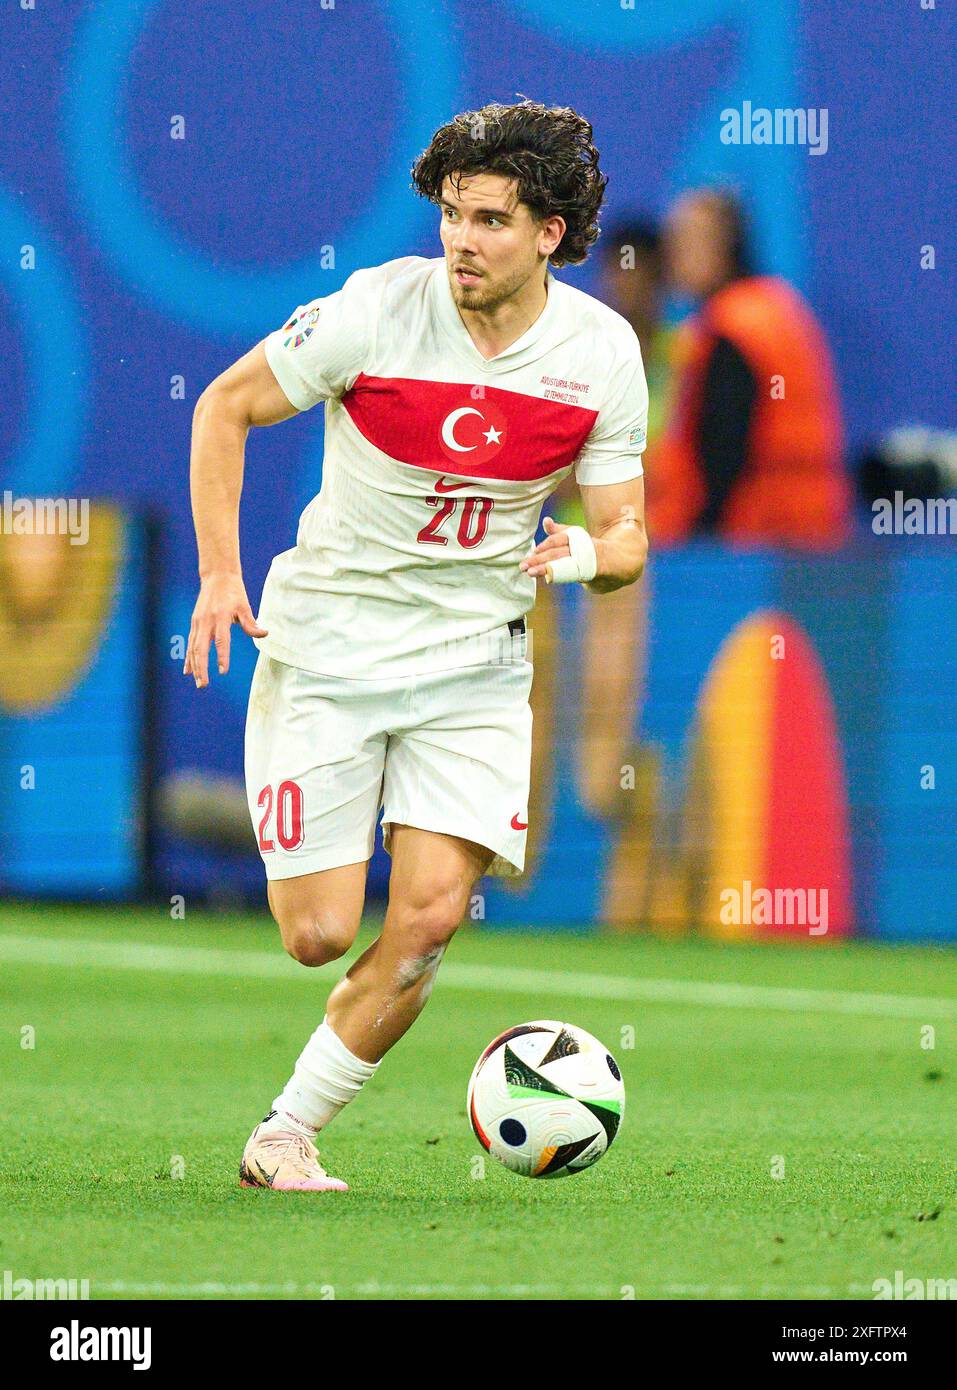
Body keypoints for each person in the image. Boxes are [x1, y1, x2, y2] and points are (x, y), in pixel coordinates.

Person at [183, 100, 649, 1193]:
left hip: (474, 666)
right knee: (316, 933)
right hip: (332, 651)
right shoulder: (374, 313)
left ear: (551, 232)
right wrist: (218, 571)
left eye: (490, 220)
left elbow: (628, 536)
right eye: (451, 215)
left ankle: (286, 1133)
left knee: (433, 914)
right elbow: (223, 406)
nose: (461, 242)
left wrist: (586, 554)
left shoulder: (600, 355)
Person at [647, 188, 849, 548]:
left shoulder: (733, 327)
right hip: (809, 536)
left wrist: (697, 543)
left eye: (687, 241)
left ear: (724, 246)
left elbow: (722, 453)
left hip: (755, 546)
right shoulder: (777, 309)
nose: (672, 256)